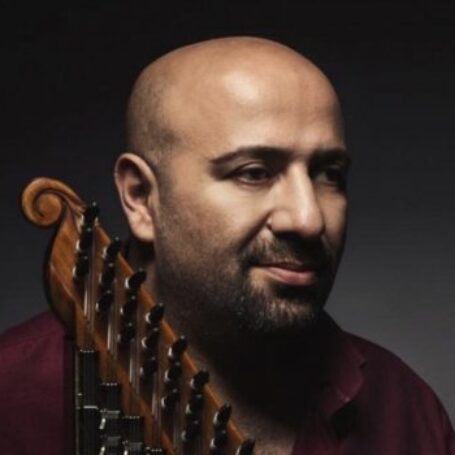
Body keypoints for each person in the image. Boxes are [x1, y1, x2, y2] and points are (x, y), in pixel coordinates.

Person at [0, 36, 454, 454]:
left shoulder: (407, 410)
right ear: (140, 197)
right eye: (254, 173)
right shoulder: (14, 394)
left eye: (328, 174)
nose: (308, 218)